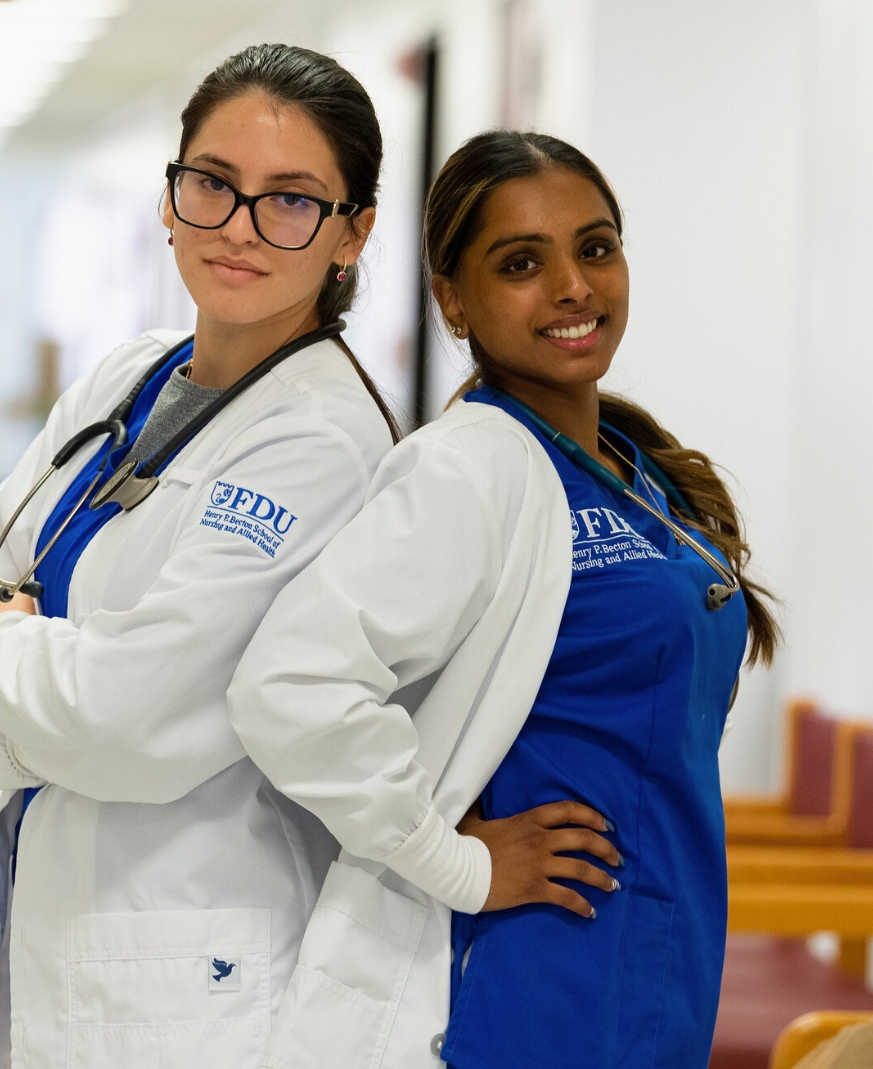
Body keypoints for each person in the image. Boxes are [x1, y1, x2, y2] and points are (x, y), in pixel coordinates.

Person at [228, 130, 779, 1069]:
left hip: (660, 956)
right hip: (539, 981)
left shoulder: (643, 475)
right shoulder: (468, 467)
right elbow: (288, 686)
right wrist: (461, 862)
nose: (573, 286)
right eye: (522, 263)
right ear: (454, 298)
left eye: (595, 248)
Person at [0, 43, 404, 1069]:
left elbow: (127, 719)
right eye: (212, 185)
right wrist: (37, 717)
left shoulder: (319, 444)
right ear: (170, 194)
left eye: (290, 200)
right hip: (58, 908)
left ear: (351, 233)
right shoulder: (125, 375)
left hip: (195, 967)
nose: (237, 227)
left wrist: (6, 647)